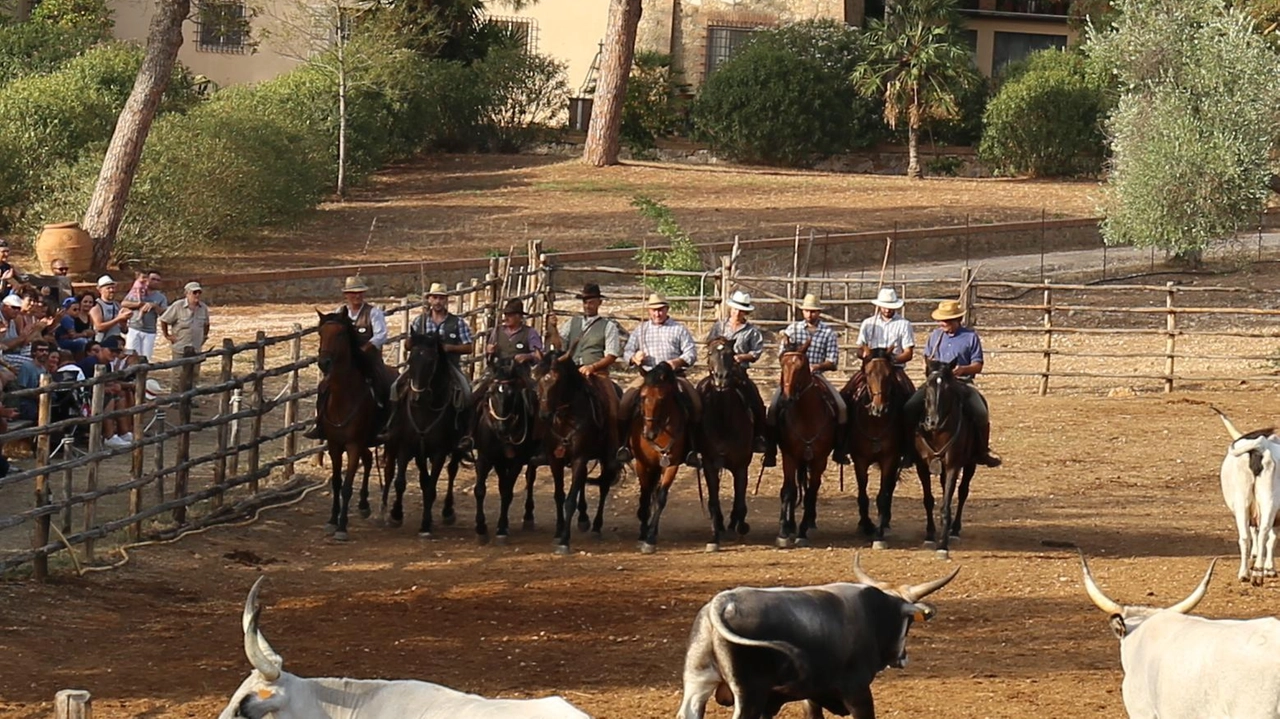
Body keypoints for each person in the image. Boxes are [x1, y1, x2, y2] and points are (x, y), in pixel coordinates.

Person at [904, 299, 1001, 468]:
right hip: (935, 383)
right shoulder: (935, 337)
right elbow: (926, 361)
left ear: (958, 320)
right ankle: (908, 450)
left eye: (947, 320)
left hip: (961, 382)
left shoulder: (970, 337)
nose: (943, 323)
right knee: (910, 407)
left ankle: (982, 451)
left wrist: (962, 370)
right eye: (941, 320)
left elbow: (978, 365)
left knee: (980, 410)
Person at [303, 277, 393, 442]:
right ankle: (321, 423)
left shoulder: (373, 312)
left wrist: (366, 348)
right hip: (345, 363)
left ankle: (385, 423)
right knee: (324, 387)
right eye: (353, 293)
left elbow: (381, 334)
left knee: (383, 384)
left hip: (369, 361)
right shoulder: (339, 313)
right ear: (347, 295)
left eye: (359, 293)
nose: (356, 296)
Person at [617, 293, 701, 467]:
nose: (657, 314)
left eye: (661, 310)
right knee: (625, 403)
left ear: (667, 309)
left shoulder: (678, 329)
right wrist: (634, 358)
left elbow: (691, 353)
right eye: (654, 310)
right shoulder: (641, 330)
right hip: (647, 377)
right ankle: (624, 446)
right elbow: (626, 352)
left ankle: (693, 448)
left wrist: (675, 362)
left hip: (673, 377)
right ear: (649, 311)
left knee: (695, 403)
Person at [765, 293, 848, 466]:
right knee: (773, 408)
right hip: (792, 376)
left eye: (814, 311)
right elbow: (782, 355)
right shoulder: (792, 329)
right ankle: (770, 450)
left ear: (819, 312)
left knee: (841, 406)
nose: (810, 314)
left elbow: (833, 361)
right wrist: (791, 360)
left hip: (816, 376)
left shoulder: (827, 333)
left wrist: (816, 367)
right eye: (807, 311)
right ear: (803, 311)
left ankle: (839, 448)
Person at [556, 283, 623, 471]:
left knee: (613, 406)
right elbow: (560, 345)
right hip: (571, 374)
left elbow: (612, 354)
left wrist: (592, 366)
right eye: (585, 301)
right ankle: (544, 444)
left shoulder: (608, 326)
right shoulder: (572, 323)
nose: (587, 305)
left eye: (591, 301)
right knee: (548, 399)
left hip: (597, 374)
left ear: (599, 302)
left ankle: (614, 450)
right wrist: (552, 329)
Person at [402, 282, 474, 429]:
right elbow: (408, 346)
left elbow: (469, 347)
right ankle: (393, 426)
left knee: (466, 392)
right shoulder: (419, 321)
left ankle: (464, 431)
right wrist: (413, 341)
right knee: (396, 388)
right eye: (435, 298)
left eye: (441, 298)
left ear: (446, 300)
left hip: (449, 366)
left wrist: (450, 347)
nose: (438, 301)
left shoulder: (457, 322)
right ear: (429, 299)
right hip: (423, 367)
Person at [704, 289, 768, 453]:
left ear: (745, 312)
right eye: (734, 309)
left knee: (755, 400)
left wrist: (742, 357)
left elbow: (756, 352)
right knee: (700, 395)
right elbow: (709, 344)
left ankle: (759, 436)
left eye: (740, 310)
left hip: (739, 374)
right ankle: (696, 439)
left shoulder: (751, 331)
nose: (736, 312)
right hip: (717, 372)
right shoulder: (719, 326)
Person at [851, 287, 917, 399]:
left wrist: (892, 358)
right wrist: (863, 354)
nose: (887, 310)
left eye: (890, 307)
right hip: (871, 368)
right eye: (885, 307)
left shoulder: (904, 324)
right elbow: (860, 347)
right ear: (879, 306)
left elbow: (908, 353)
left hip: (894, 368)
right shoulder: (868, 323)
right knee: (848, 392)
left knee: (909, 396)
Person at [159, 281, 211, 367]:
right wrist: (167, 335)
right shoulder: (178, 306)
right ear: (186, 293)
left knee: (195, 374)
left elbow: (206, 324)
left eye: (199, 292)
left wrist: (204, 336)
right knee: (178, 374)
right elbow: (164, 319)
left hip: (196, 349)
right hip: (180, 348)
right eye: (194, 292)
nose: (197, 295)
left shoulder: (203, 308)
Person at [120, 268, 169, 360]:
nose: (156, 282)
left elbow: (164, 314)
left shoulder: (161, 297)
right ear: (147, 280)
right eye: (153, 279)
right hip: (134, 328)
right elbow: (124, 303)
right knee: (131, 357)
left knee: (145, 359)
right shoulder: (136, 291)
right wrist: (139, 304)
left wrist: (154, 306)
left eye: (158, 280)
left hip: (149, 331)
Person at [89, 275, 133, 344]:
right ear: (100, 290)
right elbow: (99, 327)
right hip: (102, 343)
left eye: (113, 288)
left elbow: (125, 330)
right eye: (108, 288)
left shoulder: (117, 305)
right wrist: (118, 319)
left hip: (116, 342)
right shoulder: (97, 306)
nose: (111, 290)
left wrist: (124, 322)